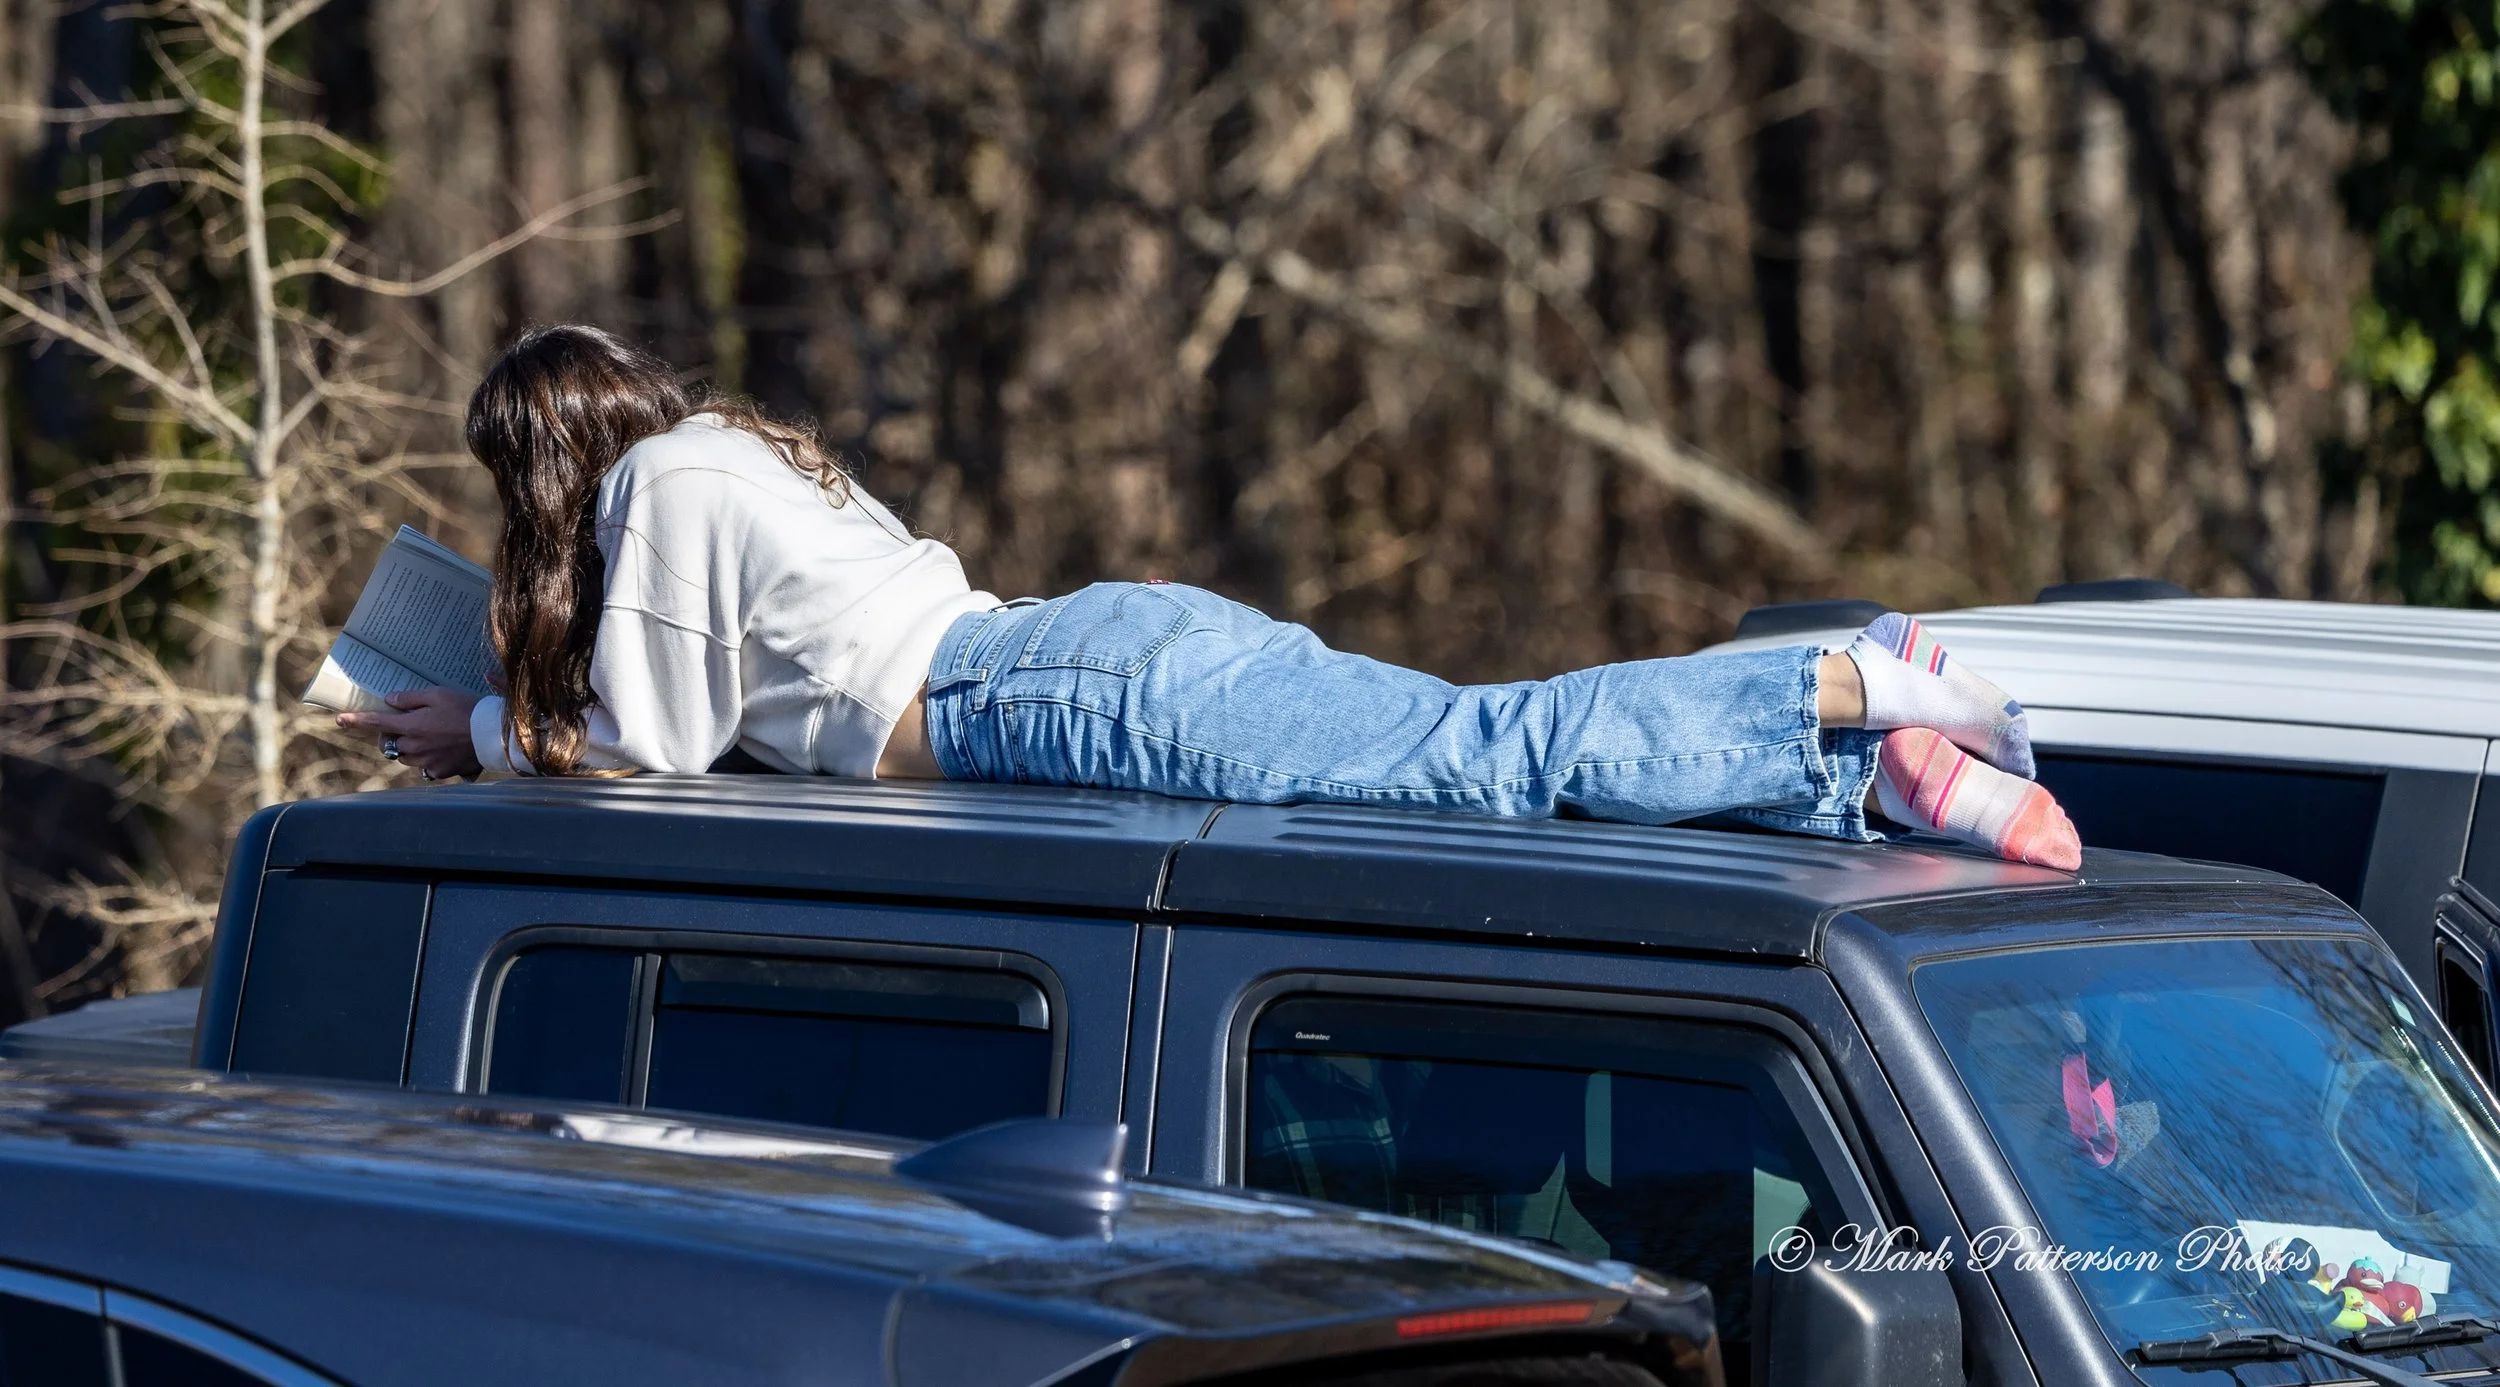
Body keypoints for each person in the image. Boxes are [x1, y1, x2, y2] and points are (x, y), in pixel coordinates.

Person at [341, 324, 2079, 869]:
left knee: (1487, 756)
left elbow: (653, 749)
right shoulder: (725, 454)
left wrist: (481, 727)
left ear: (549, 462)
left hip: (1059, 696)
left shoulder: (656, 485)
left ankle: (1848, 681)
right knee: (1492, 781)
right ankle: (1868, 787)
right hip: (1086, 668)